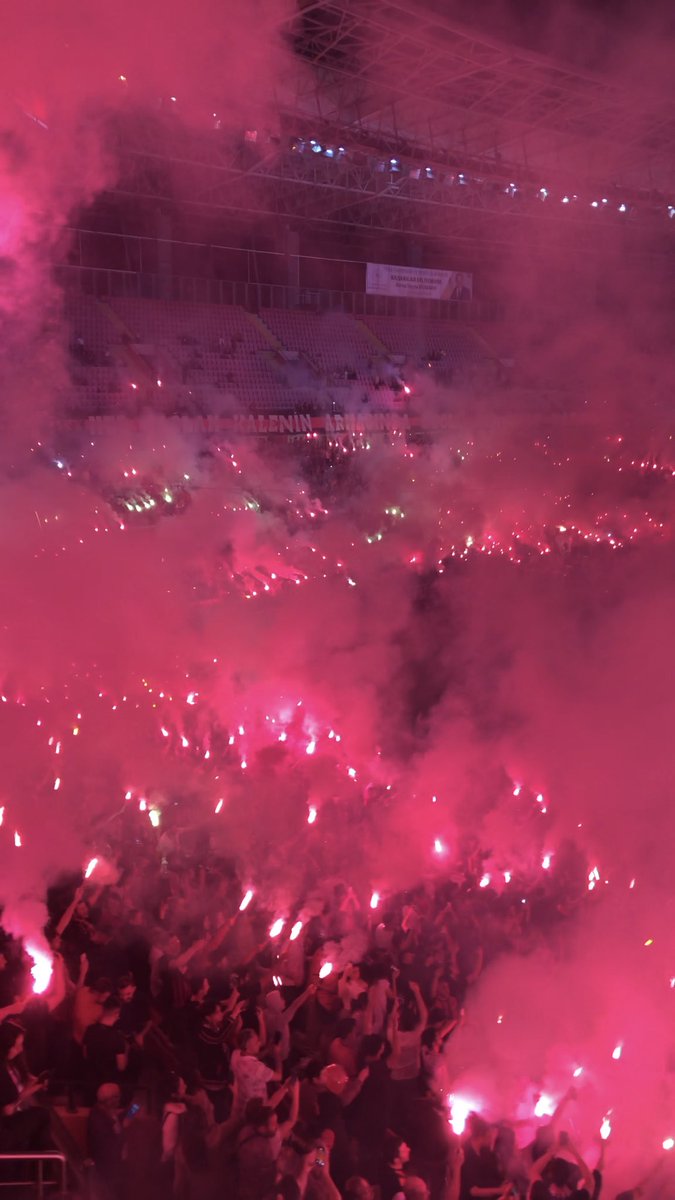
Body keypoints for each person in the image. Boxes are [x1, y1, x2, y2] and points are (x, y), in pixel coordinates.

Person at [0, 1023, 51, 1152]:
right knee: (43, 1115)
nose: (21, 1049)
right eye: (17, 1046)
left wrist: (33, 1083)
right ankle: (43, 1160)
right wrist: (32, 1089)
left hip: (15, 1116)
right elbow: (8, 1110)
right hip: (5, 1127)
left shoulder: (12, 1064)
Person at [87, 1082, 125, 1200]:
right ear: (111, 1100)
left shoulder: (106, 1112)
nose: (120, 1100)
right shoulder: (99, 1121)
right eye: (118, 1097)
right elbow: (109, 1149)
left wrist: (136, 1106)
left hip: (112, 1169)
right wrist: (124, 1132)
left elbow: (124, 1117)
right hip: (106, 1171)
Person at [83, 997, 128, 1093]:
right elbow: (121, 1066)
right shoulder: (117, 1037)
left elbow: (85, 1055)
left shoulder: (90, 1030)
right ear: (117, 1013)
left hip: (90, 1083)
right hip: (109, 1086)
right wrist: (127, 1049)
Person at [460, 1115, 510, 1200]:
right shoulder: (467, 1153)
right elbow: (474, 1191)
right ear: (485, 1133)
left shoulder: (485, 1152)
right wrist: (500, 1190)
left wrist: (503, 1184)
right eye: (491, 1133)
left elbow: (492, 1177)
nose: (492, 1136)